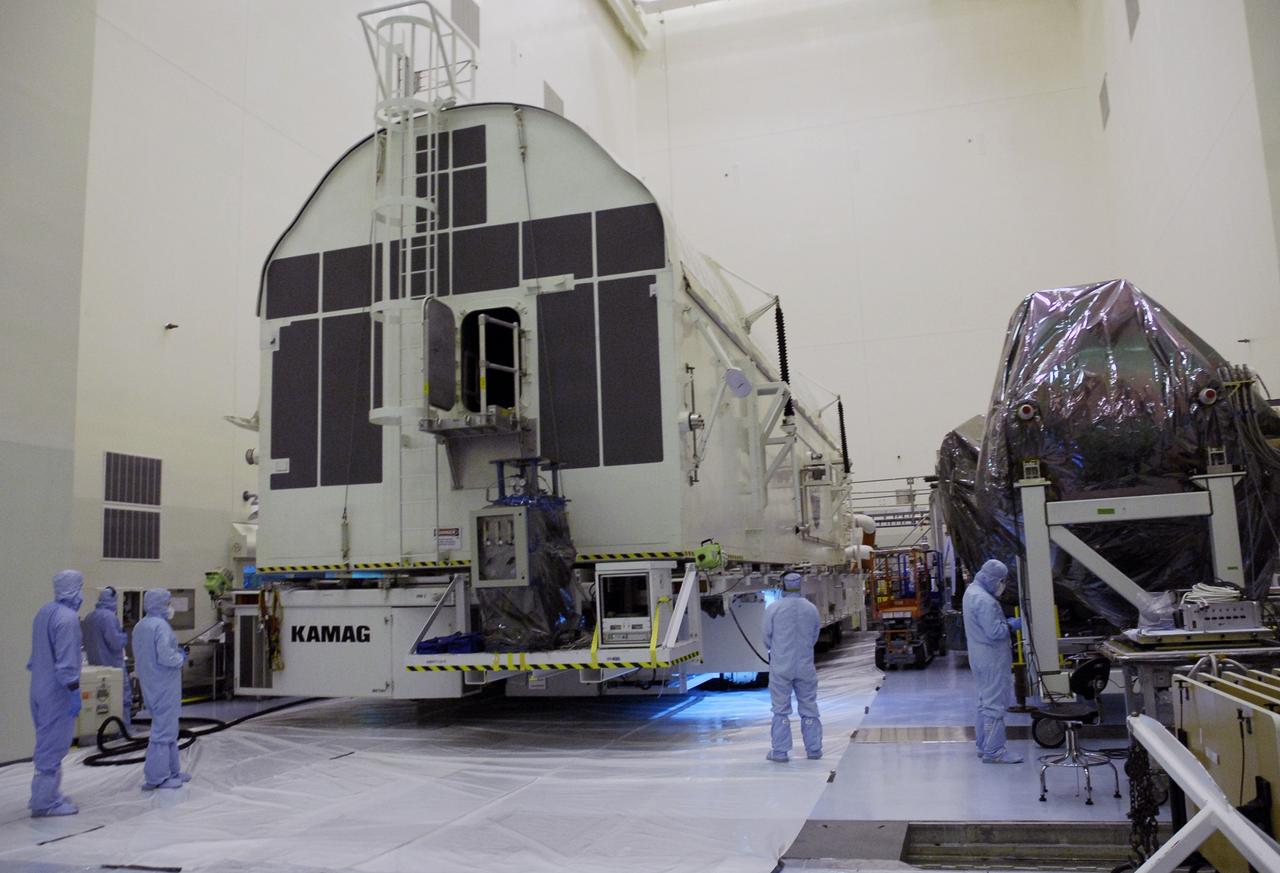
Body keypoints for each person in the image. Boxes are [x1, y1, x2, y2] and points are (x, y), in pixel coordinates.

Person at [28, 569, 85, 817]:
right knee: (53, 745)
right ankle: (44, 802)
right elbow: (67, 661)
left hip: (39, 686)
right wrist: (73, 689)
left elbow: (36, 655)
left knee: (45, 740)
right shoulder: (68, 619)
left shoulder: (45, 612)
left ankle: (46, 794)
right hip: (57, 691)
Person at [963, 559, 1023, 764]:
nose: (1002, 585)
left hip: (980, 657)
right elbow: (994, 631)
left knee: (984, 702)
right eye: (1001, 581)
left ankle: (983, 745)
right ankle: (994, 751)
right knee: (994, 706)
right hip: (992, 658)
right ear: (992, 579)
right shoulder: (985, 601)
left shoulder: (972, 592)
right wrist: (1012, 625)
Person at [132, 589, 189, 790]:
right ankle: (157, 777)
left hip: (150, 683)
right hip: (164, 684)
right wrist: (180, 657)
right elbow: (166, 656)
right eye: (167, 603)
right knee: (163, 731)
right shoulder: (161, 626)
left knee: (168, 728)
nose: (169, 607)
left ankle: (172, 770)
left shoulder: (141, 626)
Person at [763, 571, 822, 762]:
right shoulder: (811, 609)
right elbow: (814, 636)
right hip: (805, 666)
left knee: (780, 709)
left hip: (781, 667)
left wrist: (779, 650)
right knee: (809, 706)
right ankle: (813, 749)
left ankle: (780, 752)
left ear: (782, 586)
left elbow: (766, 638)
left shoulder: (773, 608)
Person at [82, 586, 131, 734]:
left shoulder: (90, 617)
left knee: (101, 704)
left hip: (95, 667)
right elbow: (115, 643)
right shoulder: (109, 617)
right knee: (121, 700)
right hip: (112, 667)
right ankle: (122, 732)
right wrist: (124, 636)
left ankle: (102, 732)